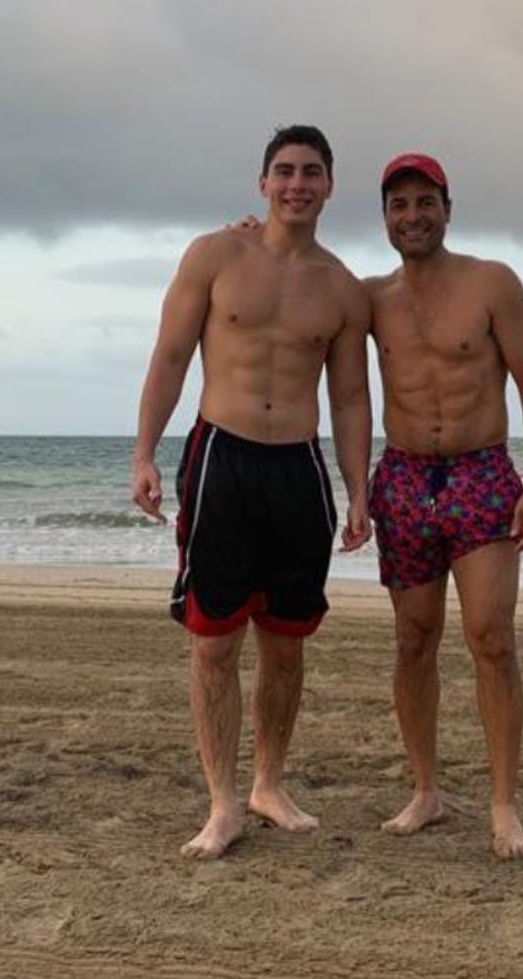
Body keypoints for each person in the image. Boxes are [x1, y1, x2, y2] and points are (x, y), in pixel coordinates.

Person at [131, 125, 372, 860]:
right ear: (263, 183)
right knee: (214, 642)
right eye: (285, 171)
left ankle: (269, 784)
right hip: (222, 459)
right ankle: (222, 803)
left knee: (286, 644)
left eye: (311, 172)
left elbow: (351, 399)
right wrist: (144, 453)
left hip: (297, 466)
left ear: (329, 186)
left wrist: (359, 491)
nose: (297, 184)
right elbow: (171, 356)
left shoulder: (343, 288)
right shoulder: (215, 256)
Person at [365, 153, 523, 859]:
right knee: (413, 640)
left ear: (448, 209)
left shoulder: (492, 283)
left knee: (491, 637)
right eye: (399, 205)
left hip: (481, 474)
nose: (412, 216)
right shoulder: (370, 298)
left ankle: (504, 807)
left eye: (425, 202)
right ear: (385, 218)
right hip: (405, 478)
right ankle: (426, 791)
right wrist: (252, 234)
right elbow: (303, 287)